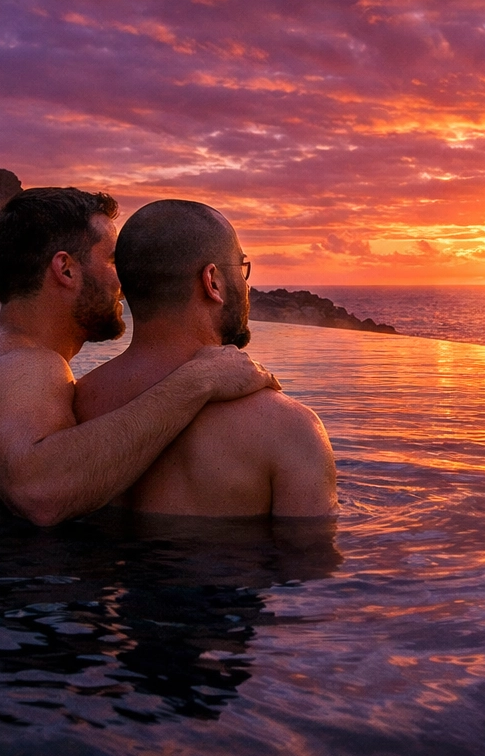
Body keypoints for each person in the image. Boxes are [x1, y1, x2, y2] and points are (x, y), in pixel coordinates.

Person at [0, 187, 280, 526]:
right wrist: (198, 380)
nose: (124, 279)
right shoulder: (27, 365)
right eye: (112, 259)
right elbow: (41, 496)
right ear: (65, 270)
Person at [74, 199, 338, 517]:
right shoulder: (288, 429)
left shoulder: (76, 405)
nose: (247, 284)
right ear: (212, 281)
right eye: (241, 268)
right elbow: (311, 560)